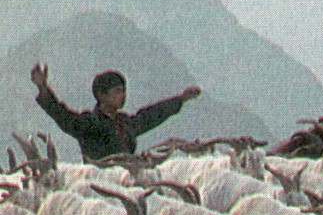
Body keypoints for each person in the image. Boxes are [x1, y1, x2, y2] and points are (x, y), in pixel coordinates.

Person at [29, 64, 201, 163]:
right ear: (102, 95)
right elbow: (62, 115)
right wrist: (43, 88)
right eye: (117, 91)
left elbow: (151, 115)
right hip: (100, 185)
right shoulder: (90, 123)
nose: (123, 96)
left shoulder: (125, 123)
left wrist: (180, 100)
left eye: (124, 91)